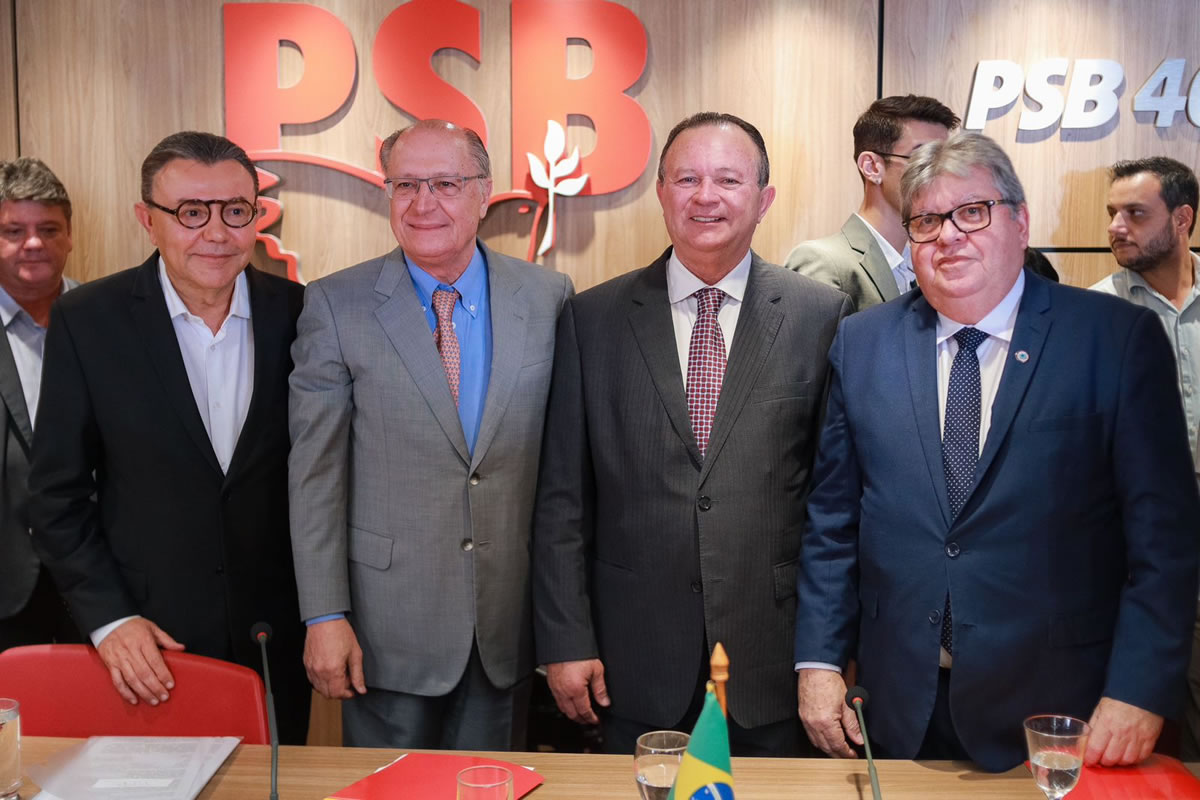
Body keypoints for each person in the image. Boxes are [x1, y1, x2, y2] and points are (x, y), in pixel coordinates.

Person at [794, 132, 1200, 772]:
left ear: (1021, 222)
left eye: (972, 212)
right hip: (899, 706)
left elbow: (1165, 540)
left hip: (1063, 711)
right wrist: (819, 661)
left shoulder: (1114, 338)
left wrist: (1139, 688)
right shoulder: (862, 342)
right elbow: (833, 522)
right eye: (927, 221)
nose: (948, 236)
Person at [533, 112, 851, 756]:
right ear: (661, 192)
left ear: (763, 198)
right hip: (632, 657)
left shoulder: (821, 316)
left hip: (772, 656)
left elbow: (835, 505)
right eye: (687, 179)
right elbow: (563, 499)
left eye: (728, 180)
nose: (706, 197)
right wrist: (566, 641)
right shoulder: (592, 319)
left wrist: (827, 653)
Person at [288, 119, 573, 750]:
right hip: (386, 627)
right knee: (387, 791)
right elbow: (315, 478)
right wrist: (324, 614)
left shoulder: (548, 297)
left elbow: (565, 473)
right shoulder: (335, 305)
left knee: (492, 789)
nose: (423, 203)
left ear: (483, 192)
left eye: (445, 183)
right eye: (406, 185)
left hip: (507, 623)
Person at [29, 131, 310, 743]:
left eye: (236, 210)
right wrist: (109, 619)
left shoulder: (300, 314)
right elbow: (55, 496)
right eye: (191, 213)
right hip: (147, 643)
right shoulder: (89, 320)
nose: (217, 233)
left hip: (276, 640)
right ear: (147, 220)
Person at [1091, 156, 1200, 758]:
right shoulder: (1094, 315)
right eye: (1112, 213)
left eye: (1135, 213)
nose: (1116, 227)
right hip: (1134, 551)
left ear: (1182, 219)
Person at [0, 158, 82, 650]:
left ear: (69, 236)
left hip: (103, 588)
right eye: (14, 231)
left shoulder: (112, 321)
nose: (33, 243)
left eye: (49, 229)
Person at [786, 95, 958, 310]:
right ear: (872, 167)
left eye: (945, 161)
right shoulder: (823, 261)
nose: (940, 174)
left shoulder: (920, 266)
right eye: (924, 159)